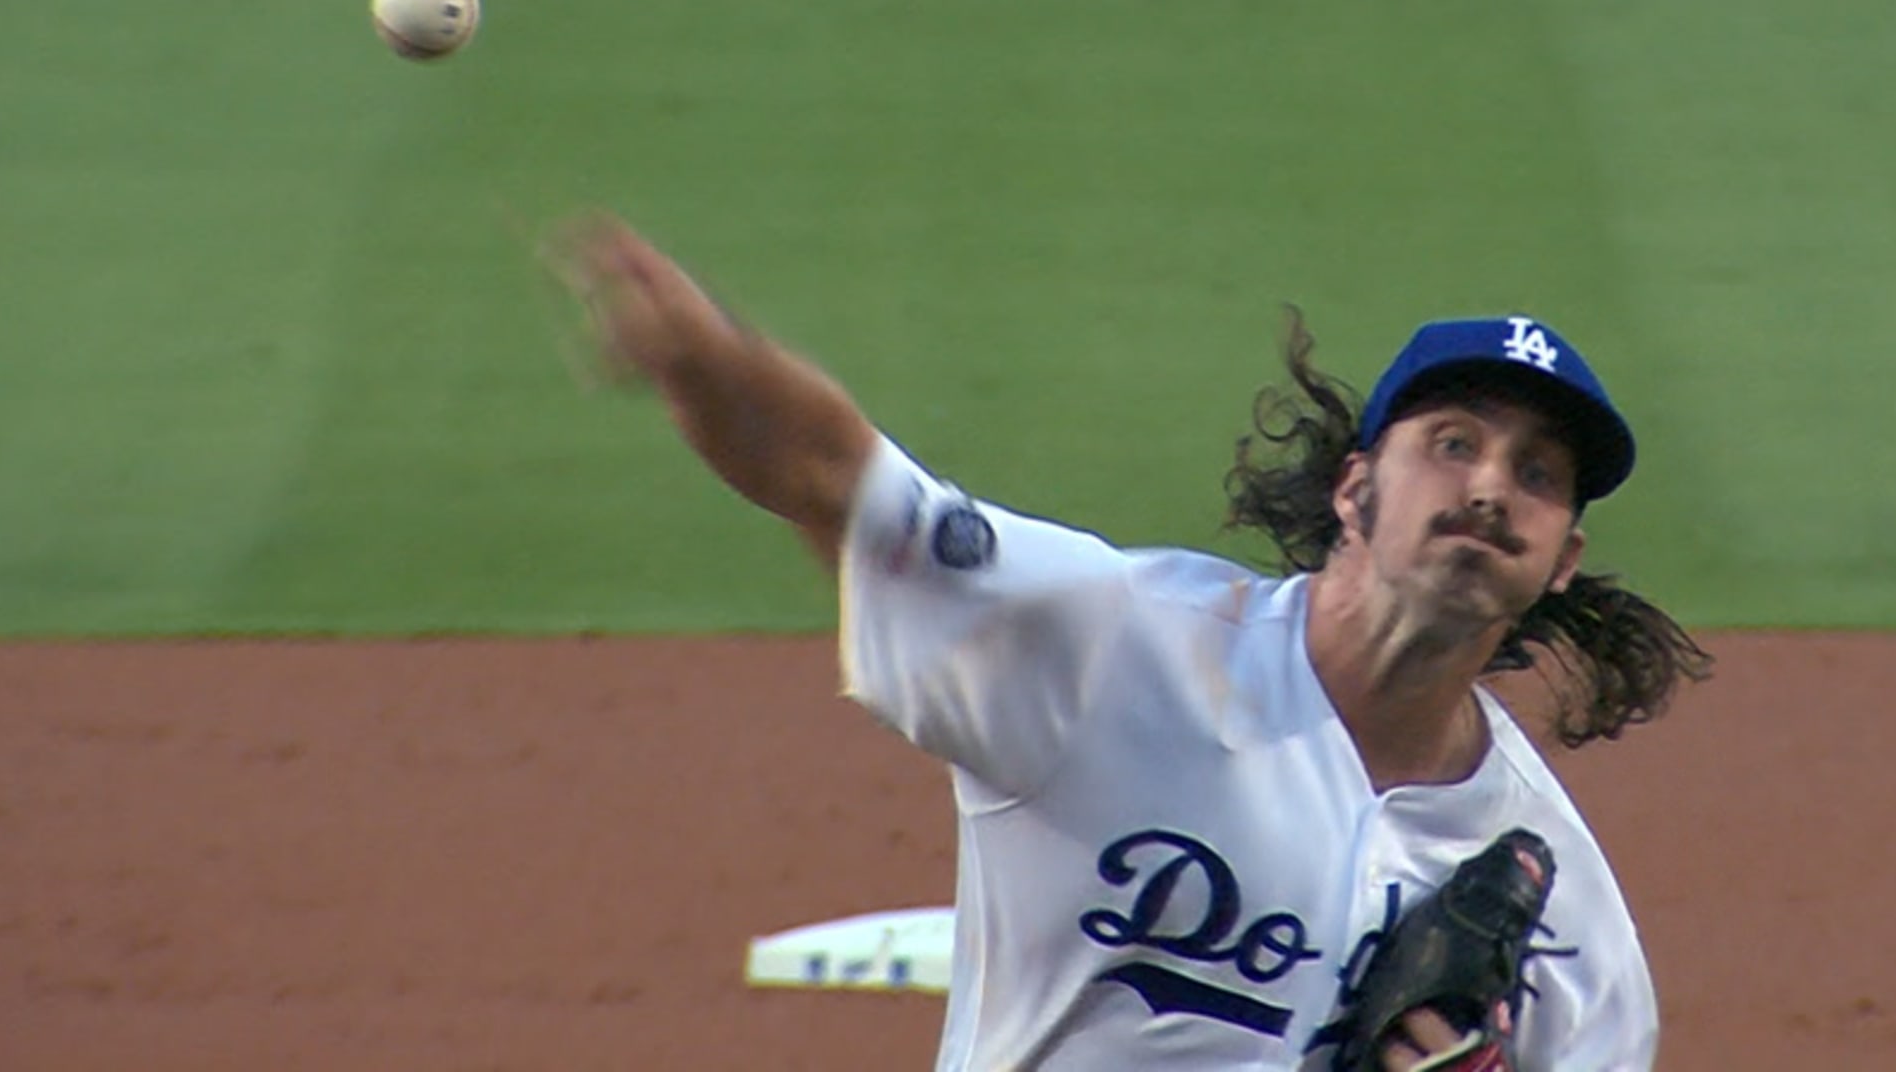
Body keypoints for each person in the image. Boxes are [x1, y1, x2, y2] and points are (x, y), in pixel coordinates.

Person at [552, 213, 1711, 1071]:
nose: (1491, 488)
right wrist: (705, 360)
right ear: (1356, 492)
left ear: (1561, 559)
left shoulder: (1567, 923)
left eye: (1538, 474)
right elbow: (842, 485)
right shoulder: (1121, 651)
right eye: (1452, 444)